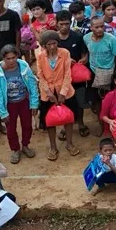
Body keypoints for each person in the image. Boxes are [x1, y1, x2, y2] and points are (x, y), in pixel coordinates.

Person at [35, 31, 79, 160]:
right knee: (50, 122)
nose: (52, 47)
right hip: (47, 92)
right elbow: (40, 76)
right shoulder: (40, 56)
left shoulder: (65, 53)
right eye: (49, 44)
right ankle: (53, 146)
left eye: (54, 43)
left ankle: (69, 143)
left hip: (65, 91)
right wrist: (49, 93)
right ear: (44, 45)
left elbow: (67, 74)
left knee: (69, 118)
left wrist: (63, 93)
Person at [0, 45, 38, 164]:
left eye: (14, 57)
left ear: (17, 56)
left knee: (27, 125)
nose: (11, 61)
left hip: (24, 102)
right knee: (11, 129)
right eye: (8, 58)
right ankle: (15, 149)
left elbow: (32, 84)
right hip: (9, 105)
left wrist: (34, 103)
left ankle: (25, 145)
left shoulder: (24, 67)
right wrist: (2, 112)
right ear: (3, 58)